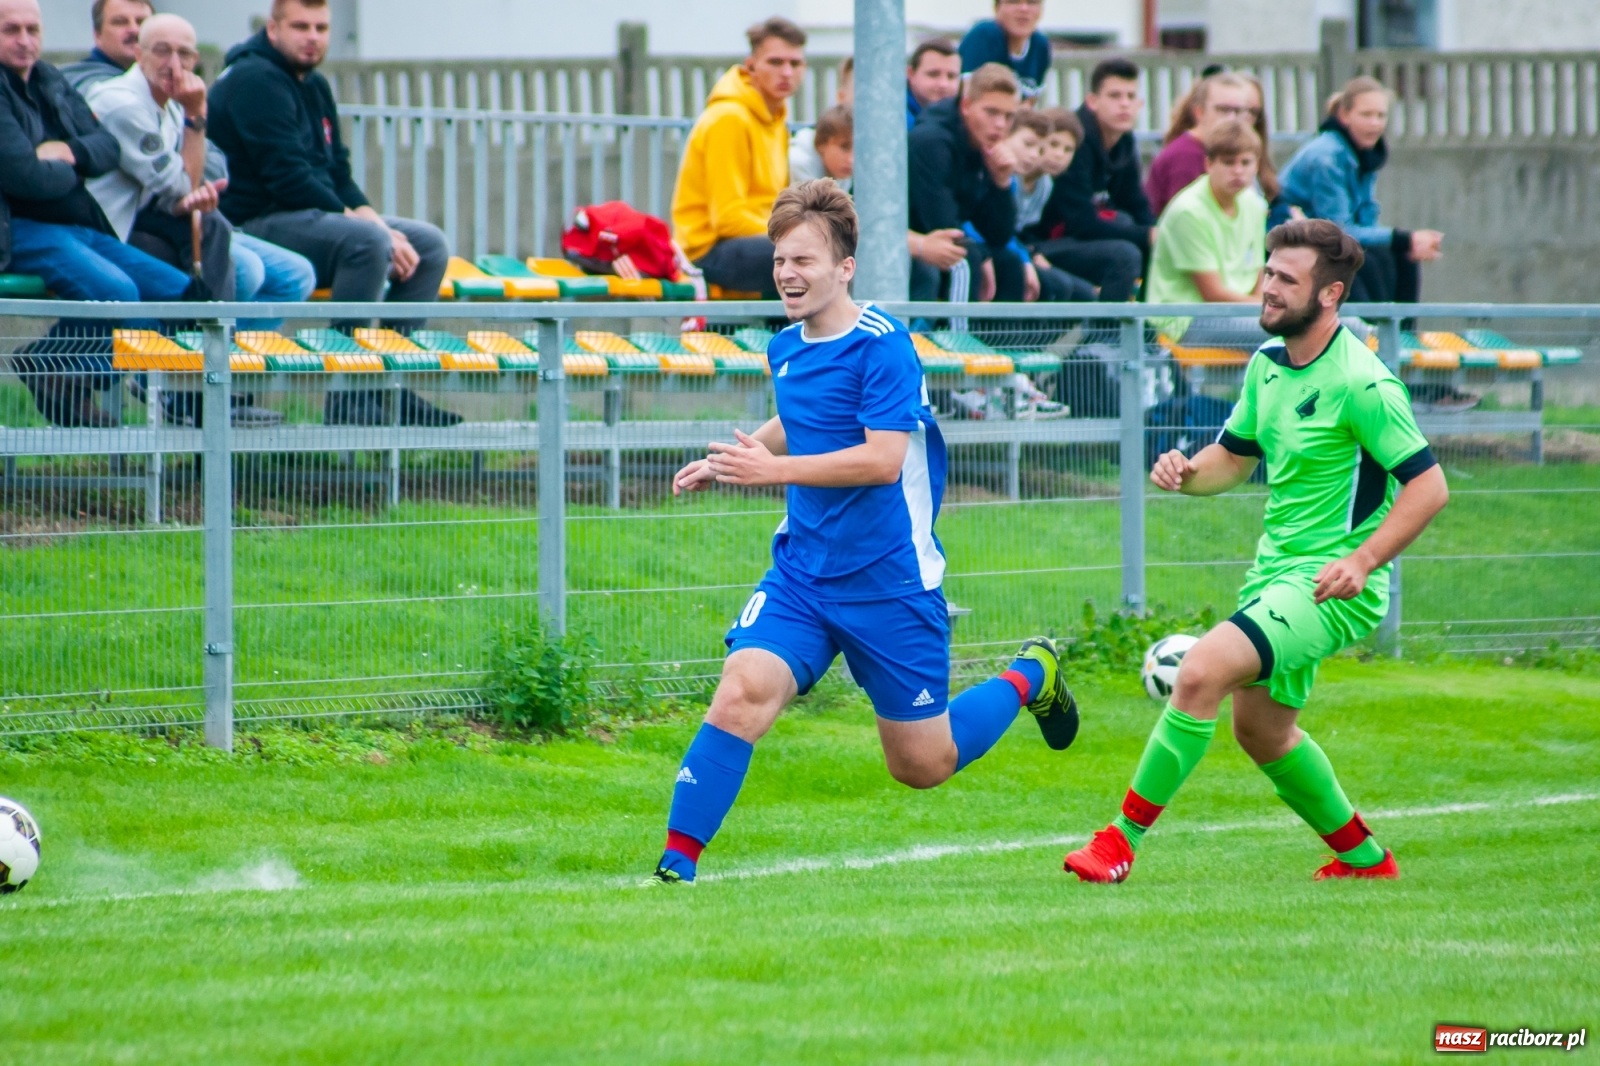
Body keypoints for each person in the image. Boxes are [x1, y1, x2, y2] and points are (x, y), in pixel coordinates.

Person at [644, 180, 1080, 886]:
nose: (788, 273)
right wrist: (735, 456)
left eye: (804, 260)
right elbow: (803, 418)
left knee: (922, 765)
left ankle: (1031, 674)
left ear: (844, 267)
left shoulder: (884, 346)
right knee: (741, 690)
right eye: (781, 259)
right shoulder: (785, 347)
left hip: (889, 581)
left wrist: (772, 472)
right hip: (804, 573)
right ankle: (676, 865)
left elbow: (882, 460)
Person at [1064, 218, 1449, 885]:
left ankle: (1117, 842)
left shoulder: (1364, 383)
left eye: (1285, 279)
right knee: (1262, 734)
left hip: (1331, 585)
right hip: (1277, 575)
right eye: (1267, 272)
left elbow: (1429, 487)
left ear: (1329, 295)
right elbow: (1234, 460)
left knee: (1199, 672)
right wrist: (1187, 473)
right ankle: (1364, 859)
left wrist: (1362, 561)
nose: (1266, 289)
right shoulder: (1268, 367)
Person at [209, 0, 456, 426]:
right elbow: (287, 178)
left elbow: (337, 171)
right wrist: (371, 229)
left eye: (321, 27)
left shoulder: (313, 85)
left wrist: (373, 219)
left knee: (427, 243)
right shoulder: (254, 80)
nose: (313, 37)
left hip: (308, 219)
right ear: (273, 29)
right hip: (253, 223)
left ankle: (391, 386)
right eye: (300, 26)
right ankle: (350, 395)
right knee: (367, 241)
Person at [0, 0, 196, 428]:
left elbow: (106, 149)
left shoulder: (50, 78)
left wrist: (69, 152)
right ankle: (62, 373)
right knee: (118, 291)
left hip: (76, 226)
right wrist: (72, 172)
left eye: (32, 29)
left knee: (182, 292)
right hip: (18, 229)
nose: (24, 40)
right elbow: (23, 177)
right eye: (10, 30)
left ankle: (55, 369)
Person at [71, 0, 314, 316]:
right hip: (106, 231)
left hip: (150, 219)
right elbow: (185, 184)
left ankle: (209, 352)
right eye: (162, 51)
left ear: (195, 60)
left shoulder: (171, 104)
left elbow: (204, 172)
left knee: (285, 270)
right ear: (139, 54)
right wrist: (196, 115)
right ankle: (204, 351)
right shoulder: (123, 104)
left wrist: (185, 187)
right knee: (234, 265)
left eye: (184, 54)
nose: (174, 64)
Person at [1272, 76, 1443, 304]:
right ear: (1344, 115)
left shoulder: (1363, 153)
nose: (1375, 123)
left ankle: (1401, 335)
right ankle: (1375, 334)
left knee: (1401, 256)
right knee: (1369, 262)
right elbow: (1338, 229)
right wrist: (1404, 238)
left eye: (1381, 116)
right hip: (1295, 241)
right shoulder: (1327, 158)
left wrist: (1405, 244)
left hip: (1327, 239)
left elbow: (1365, 220)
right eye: (1366, 115)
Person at [670, 16, 805, 299]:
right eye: (775, 62)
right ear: (751, 66)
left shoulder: (775, 120)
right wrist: (797, 232)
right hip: (707, 250)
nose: (787, 72)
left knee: (826, 252)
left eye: (795, 63)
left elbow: (775, 202)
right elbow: (728, 218)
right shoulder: (729, 118)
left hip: (752, 242)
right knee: (805, 253)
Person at [1026, 58, 1151, 303]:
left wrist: (1156, 233)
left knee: (1151, 243)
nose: (1124, 104)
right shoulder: (1075, 139)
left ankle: (1148, 327)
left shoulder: (1124, 142)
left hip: (1075, 239)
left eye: (1130, 96)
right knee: (1124, 253)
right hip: (1043, 242)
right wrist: (1145, 234)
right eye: (1115, 95)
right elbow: (1081, 222)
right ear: (1092, 101)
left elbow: (1136, 203)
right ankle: (1106, 337)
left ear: (1140, 104)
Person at [1146, 121, 1270, 347]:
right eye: (1228, 162)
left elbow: (1257, 276)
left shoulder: (1254, 204)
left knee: (1351, 327)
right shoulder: (1188, 211)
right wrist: (1268, 309)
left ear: (1257, 165)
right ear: (1208, 164)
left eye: (1246, 162)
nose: (1238, 171)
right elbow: (1212, 293)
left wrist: (1268, 307)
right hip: (1187, 320)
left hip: (1243, 312)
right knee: (1292, 333)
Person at [907, 63, 1023, 304]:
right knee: (965, 256)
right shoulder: (932, 141)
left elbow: (999, 235)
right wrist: (982, 256)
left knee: (1010, 264)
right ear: (966, 106)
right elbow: (941, 224)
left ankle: (1002, 343)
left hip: (932, 238)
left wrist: (1001, 181)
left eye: (1009, 116)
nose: (1000, 125)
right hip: (900, 240)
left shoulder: (982, 143)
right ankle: (958, 339)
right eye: (991, 112)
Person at [1145, 72, 1259, 218]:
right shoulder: (1185, 156)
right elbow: (1188, 221)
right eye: (1223, 110)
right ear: (1199, 112)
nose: (1232, 118)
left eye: (1238, 111)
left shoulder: (1237, 149)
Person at [958, 0, 1051, 101]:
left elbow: (1030, 103)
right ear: (997, 8)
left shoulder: (1040, 45)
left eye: (1032, 2)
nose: (1024, 9)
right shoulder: (984, 36)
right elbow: (969, 99)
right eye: (1013, 2)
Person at [60, 0, 148, 92]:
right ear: (97, 35)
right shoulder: (92, 88)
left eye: (142, 22)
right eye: (120, 22)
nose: (134, 29)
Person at [788, 104, 851, 191]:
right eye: (844, 147)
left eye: (858, 152)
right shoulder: (798, 162)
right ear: (822, 143)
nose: (851, 160)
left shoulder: (840, 169)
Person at [905, 37, 960, 128]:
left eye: (951, 76)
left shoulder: (965, 117)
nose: (943, 84)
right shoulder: (896, 117)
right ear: (911, 74)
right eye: (933, 74)